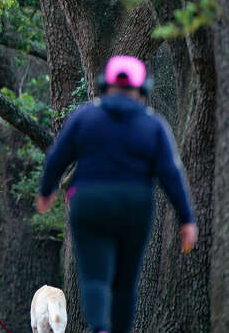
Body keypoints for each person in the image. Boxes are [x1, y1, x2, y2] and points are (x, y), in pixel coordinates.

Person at [37, 55, 198, 333]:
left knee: (94, 276)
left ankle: (99, 327)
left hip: (89, 203)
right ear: (142, 89)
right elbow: (171, 174)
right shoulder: (153, 125)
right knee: (125, 281)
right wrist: (186, 218)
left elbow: (56, 158)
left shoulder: (84, 116)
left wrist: (46, 191)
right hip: (133, 205)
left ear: (104, 85)